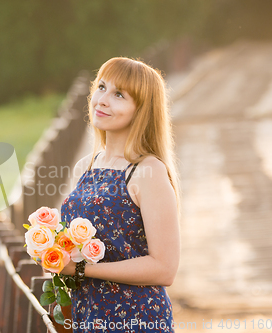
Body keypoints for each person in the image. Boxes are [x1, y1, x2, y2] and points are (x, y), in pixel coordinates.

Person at [58, 57, 181, 332]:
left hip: (134, 319)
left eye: (118, 95)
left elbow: (164, 268)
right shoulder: (85, 167)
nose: (102, 100)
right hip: (87, 316)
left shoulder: (147, 170)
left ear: (141, 110)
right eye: (101, 87)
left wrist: (80, 269)